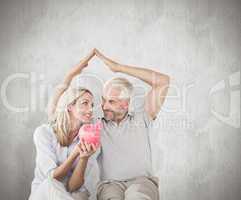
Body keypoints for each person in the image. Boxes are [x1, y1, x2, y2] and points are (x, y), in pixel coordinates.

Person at [94, 49, 170, 200]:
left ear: (125, 104)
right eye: (103, 100)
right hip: (110, 185)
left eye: (111, 101)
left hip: (141, 183)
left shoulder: (142, 117)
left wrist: (118, 67)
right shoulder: (96, 125)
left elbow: (163, 81)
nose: (103, 106)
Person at [29, 49, 99, 200]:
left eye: (92, 105)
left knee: (77, 195)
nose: (90, 109)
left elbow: (73, 186)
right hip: (45, 192)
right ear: (69, 106)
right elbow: (54, 177)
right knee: (52, 184)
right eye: (85, 103)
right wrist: (74, 72)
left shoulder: (89, 138)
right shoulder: (45, 132)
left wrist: (84, 158)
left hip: (71, 194)